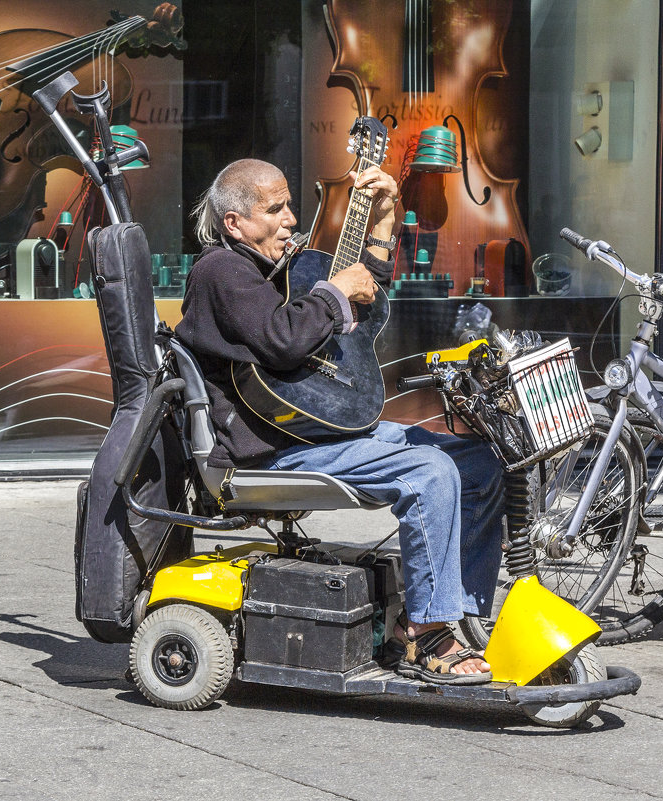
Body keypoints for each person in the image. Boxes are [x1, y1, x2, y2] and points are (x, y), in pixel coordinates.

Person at [174, 159, 504, 684]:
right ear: (234, 224)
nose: (289, 219)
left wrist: (383, 220)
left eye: (289, 205)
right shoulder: (221, 271)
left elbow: (364, 298)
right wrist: (334, 292)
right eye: (274, 209)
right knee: (429, 472)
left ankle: (449, 614)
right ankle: (429, 629)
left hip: (325, 430)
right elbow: (282, 340)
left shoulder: (280, 267)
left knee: (478, 463)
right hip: (275, 446)